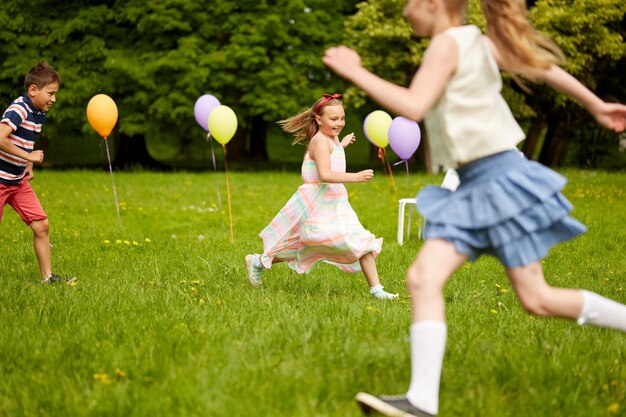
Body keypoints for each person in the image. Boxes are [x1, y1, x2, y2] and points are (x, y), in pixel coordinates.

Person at [322, 0, 626, 415]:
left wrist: (355, 71)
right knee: (500, 292)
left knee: (494, 291)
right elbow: (540, 67)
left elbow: (413, 106)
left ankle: (420, 402)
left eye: (411, 3)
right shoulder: (475, 41)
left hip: (497, 181)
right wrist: (596, 105)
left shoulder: (447, 43)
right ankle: (421, 402)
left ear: (432, 4)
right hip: (477, 184)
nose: (407, 12)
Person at [245, 94, 398, 300]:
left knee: (362, 241)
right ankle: (258, 261)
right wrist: (356, 176)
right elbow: (325, 174)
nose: (339, 123)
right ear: (319, 120)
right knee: (307, 243)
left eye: (342, 118)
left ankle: (377, 290)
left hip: (336, 202)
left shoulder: (332, 138)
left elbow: (332, 152)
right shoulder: (318, 141)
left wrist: (342, 144)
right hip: (318, 202)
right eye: (334, 119)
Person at [0, 61, 76, 285]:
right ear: (33, 90)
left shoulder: (38, 113)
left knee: (41, 225)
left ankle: (47, 278)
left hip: (17, 182)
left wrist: (28, 165)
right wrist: (29, 157)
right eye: (50, 93)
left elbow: (27, 141)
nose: (54, 99)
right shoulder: (19, 109)